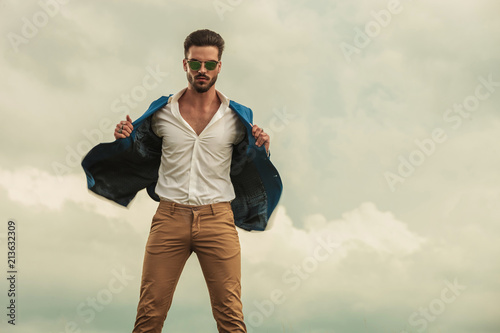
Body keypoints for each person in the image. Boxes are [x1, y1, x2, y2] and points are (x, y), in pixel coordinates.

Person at [81, 29, 282, 332]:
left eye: (210, 64)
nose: (203, 70)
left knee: (230, 317)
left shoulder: (236, 119)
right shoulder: (162, 113)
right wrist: (125, 139)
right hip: (169, 218)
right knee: (149, 314)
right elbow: (140, 149)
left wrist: (263, 147)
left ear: (219, 66)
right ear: (185, 64)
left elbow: (249, 159)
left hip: (218, 220)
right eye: (196, 63)